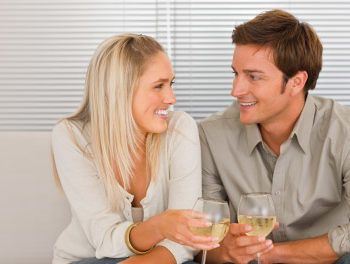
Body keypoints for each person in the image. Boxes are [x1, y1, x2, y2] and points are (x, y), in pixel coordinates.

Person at [51, 33, 219, 264]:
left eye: (171, 84)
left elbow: (185, 240)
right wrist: (159, 226)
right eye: (158, 86)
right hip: (89, 259)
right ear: (116, 90)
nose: (171, 98)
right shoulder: (71, 135)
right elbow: (104, 239)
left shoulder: (180, 129)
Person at [198, 9, 350, 264]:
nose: (236, 90)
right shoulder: (211, 135)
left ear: (296, 82)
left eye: (253, 77)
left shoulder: (343, 132)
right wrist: (225, 249)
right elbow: (204, 240)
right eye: (236, 73)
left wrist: (272, 254)